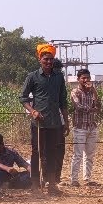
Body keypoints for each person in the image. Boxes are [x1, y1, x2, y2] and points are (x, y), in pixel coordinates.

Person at [20, 43, 69, 195]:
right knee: (37, 153)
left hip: (55, 123)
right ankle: (35, 184)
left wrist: (66, 122)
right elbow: (22, 97)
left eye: (51, 59)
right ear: (40, 59)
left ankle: (52, 185)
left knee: (52, 153)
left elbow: (63, 101)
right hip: (38, 123)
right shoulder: (32, 76)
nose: (48, 62)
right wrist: (33, 111)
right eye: (45, 59)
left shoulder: (59, 77)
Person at [67, 68, 102, 188]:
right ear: (78, 79)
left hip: (91, 126)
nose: (86, 80)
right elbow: (78, 106)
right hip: (80, 127)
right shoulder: (75, 92)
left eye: (88, 78)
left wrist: (94, 91)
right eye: (83, 78)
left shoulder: (92, 92)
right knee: (77, 155)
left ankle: (87, 179)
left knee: (90, 155)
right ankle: (74, 179)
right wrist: (92, 109)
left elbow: (99, 106)